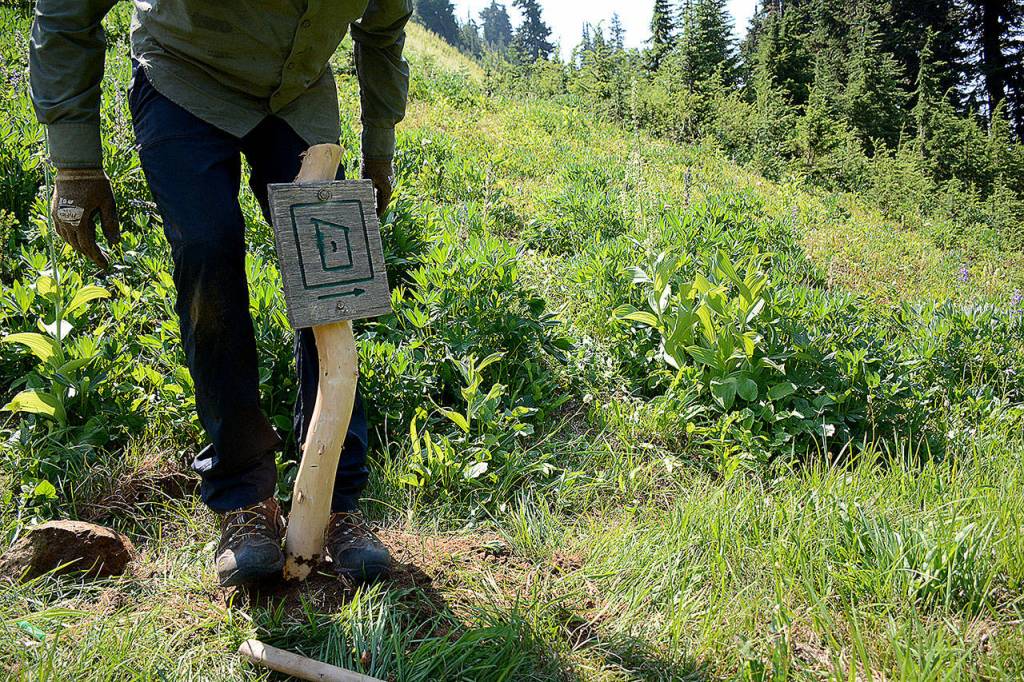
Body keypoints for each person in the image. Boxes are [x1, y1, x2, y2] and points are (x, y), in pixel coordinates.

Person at [29, 0, 411, 587]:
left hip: (298, 92)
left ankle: (337, 501)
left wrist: (379, 148)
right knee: (208, 249)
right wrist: (75, 161)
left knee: (334, 266)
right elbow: (66, 9)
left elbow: (382, 31)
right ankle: (243, 499)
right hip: (184, 77)